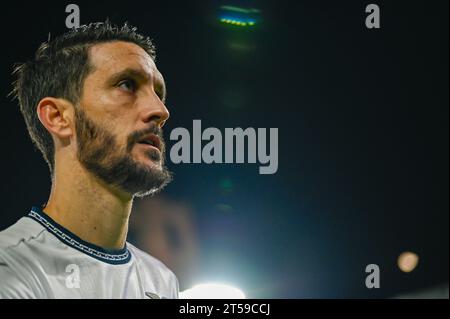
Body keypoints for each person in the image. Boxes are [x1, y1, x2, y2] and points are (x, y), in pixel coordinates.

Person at [0, 21, 178, 299]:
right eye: (127, 85)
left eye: (159, 93)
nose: (160, 110)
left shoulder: (161, 281)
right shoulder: (11, 268)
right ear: (59, 118)